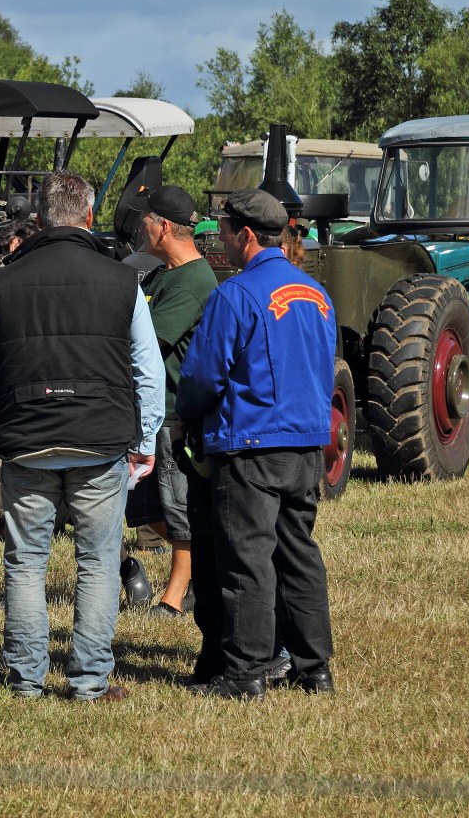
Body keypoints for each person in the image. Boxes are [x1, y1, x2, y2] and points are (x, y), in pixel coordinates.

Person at [0, 171, 165, 701]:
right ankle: (90, 682)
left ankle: (26, 682)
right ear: (90, 217)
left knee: (26, 563)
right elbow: (149, 371)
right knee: (97, 563)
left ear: (41, 219)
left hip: (27, 441)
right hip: (101, 441)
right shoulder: (124, 281)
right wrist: (146, 440)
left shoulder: (2, 283)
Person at [176, 188, 336, 701]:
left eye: (224, 232)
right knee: (298, 555)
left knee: (246, 560)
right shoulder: (317, 294)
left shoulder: (235, 295)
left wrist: (186, 415)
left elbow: (202, 375)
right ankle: (315, 669)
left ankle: (245, 675)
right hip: (306, 445)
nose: (220, 241)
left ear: (246, 235)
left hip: (250, 445)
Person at [125, 185, 217, 619]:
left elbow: (146, 344)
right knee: (144, 510)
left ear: (162, 227)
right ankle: (204, 563)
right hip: (147, 411)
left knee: (177, 507)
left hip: (171, 413)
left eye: (144, 219)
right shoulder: (161, 274)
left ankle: (175, 598)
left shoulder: (193, 281)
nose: (139, 227)